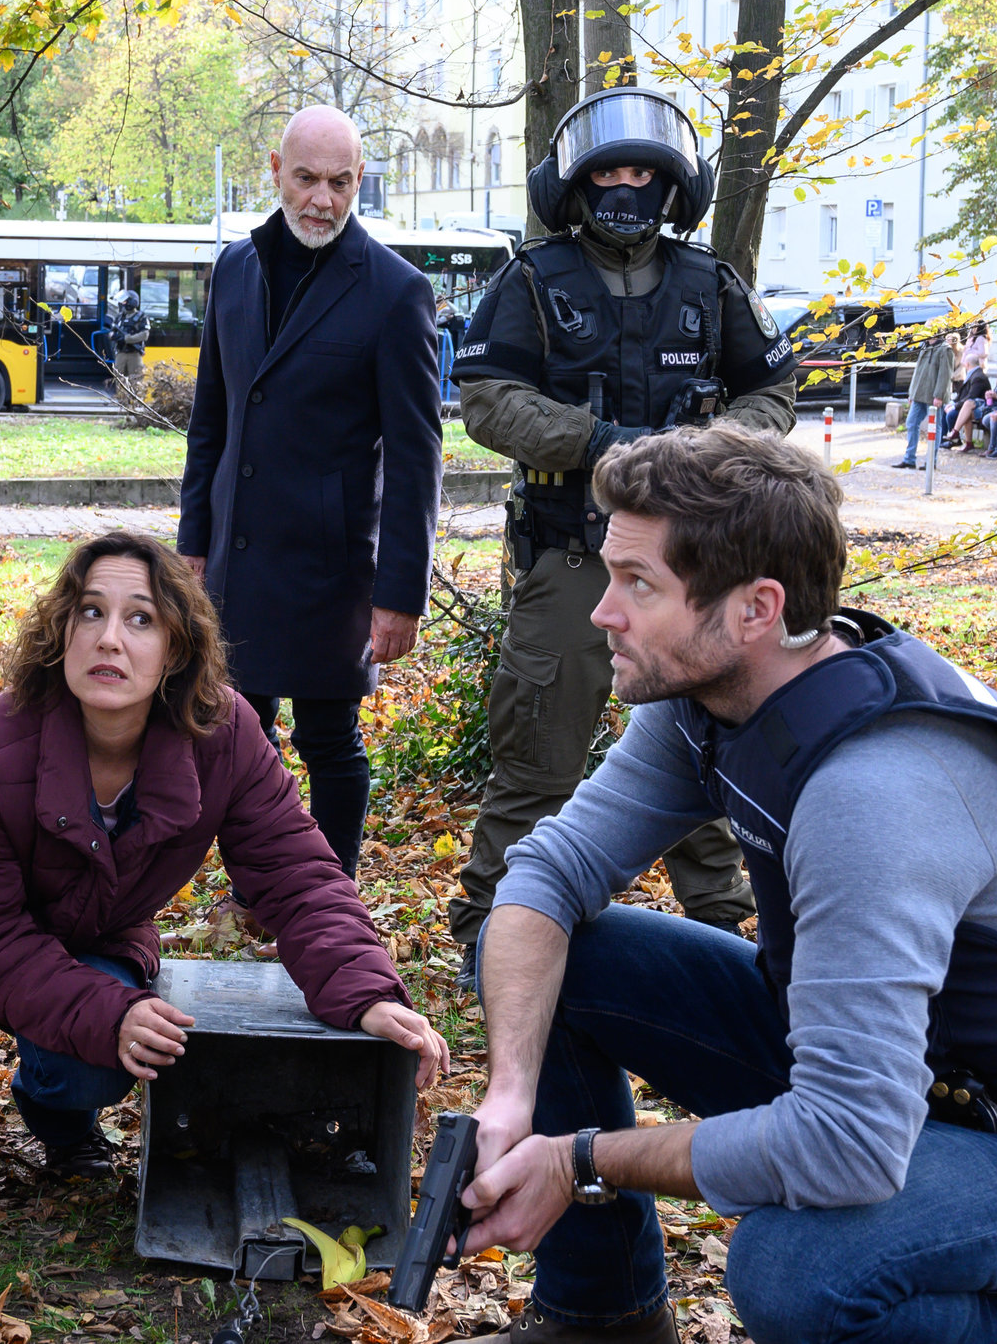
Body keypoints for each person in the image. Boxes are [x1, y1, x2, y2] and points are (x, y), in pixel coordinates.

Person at [453, 422, 997, 1344]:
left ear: (755, 609)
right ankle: (602, 1320)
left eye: (638, 585)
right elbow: (546, 875)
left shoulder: (872, 794)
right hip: (882, 1073)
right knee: (549, 956)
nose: (601, 611)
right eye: (607, 572)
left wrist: (580, 1160)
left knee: (796, 1270)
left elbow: (847, 1145)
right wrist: (511, 1093)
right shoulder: (713, 697)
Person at [0, 532, 448, 1216]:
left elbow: (299, 875)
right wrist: (107, 1010)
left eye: (140, 619)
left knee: (101, 1048)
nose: (109, 640)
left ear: (176, 649)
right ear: (61, 631)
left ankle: (56, 1108)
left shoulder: (223, 734)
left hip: (85, 929)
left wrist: (366, 993)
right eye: (91, 613)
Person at [445, 86, 795, 965]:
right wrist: (600, 444)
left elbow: (773, 392)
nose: (624, 186)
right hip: (571, 555)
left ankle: (723, 930)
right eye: (607, 171)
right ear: (575, 182)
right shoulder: (531, 280)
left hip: (690, 566)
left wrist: (704, 451)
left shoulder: (708, 283)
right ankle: (490, 929)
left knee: (708, 739)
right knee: (537, 754)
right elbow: (486, 399)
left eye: (640, 170)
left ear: (671, 182)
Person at [177, 106, 442, 880]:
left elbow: (417, 456)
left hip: (331, 570)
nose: (321, 199)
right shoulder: (233, 267)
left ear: (359, 180)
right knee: (232, 735)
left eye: (339, 182)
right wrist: (192, 543)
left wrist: (401, 595)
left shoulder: (396, 292)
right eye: (306, 179)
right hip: (234, 560)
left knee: (330, 743)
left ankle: (329, 898)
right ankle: (256, 890)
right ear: (273, 171)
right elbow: (211, 421)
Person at [894, 330, 955, 469]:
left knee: (934, 428)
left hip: (933, 395)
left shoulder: (945, 349)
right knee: (911, 423)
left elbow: (945, 374)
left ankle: (931, 461)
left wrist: (939, 395)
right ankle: (909, 459)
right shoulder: (924, 345)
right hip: (919, 394)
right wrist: (912, 392)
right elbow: (918, 372)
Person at [111, 286, 149, 403]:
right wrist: (118, 337)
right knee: (119, 379)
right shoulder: (119, 317)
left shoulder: (141, 317)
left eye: (125, 301)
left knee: (136, 380)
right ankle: (123, 404)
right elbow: (112, 334)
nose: (123, 303)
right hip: (121, 353)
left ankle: (137, 406)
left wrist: (129, 339)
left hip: (135, 354)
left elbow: (144, 335)